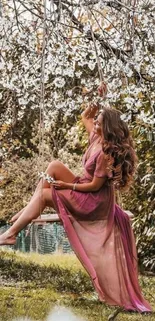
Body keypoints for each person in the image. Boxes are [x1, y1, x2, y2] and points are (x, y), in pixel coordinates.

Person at [0, 83, 152, 313]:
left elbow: (94, 186)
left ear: (106, 127)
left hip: (94, 202)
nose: (96, 122)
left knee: (45, 193)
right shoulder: (95, 137)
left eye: (100, 120)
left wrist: (66, 185)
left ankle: (11, 233)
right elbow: (85, 115)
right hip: (84, 188)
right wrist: (98, 97)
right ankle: (26, 213)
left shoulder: (104, 152)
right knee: (53, 166)